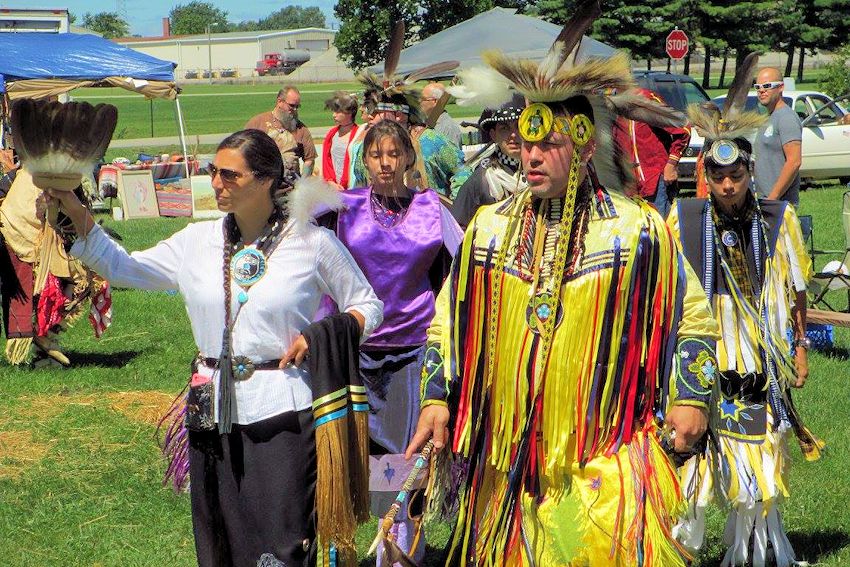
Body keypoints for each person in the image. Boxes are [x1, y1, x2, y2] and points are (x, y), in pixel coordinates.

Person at [405, 6, 721, 565]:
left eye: (545, 143)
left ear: (580, 142)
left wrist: (691, 396)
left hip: (605, 453)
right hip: (507, 465)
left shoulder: (637, 230)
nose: (529, 154)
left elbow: (691, 317)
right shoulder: (489, 229)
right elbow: (448, 321)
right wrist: (435, 395)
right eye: (525, 144)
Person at [46, 129, 383, 566]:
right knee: (219, 530)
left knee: (282, 536)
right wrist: (76, 212)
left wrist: (319, 335)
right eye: (213, 172)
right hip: (211, 409)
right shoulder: (196, 241)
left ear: (265, 180)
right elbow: (125, 267)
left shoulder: (310, 243)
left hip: (282, 409)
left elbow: (367, 305)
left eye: (229, 175)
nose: (216, 183)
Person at [669, 63, 823, 566]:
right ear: (706, 177)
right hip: (700, 356)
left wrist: (799, 347)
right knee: (688, 452)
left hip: (754, 360)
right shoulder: (685, 221)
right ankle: (681, 545)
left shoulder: (779, 221)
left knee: (756, 451)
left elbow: (795, 293)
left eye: (737, 175)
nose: (729, 184)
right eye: (719, 176)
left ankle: (754, 548)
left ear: (749, 172)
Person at [318, 119, 462, 565]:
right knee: (345, 453)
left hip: (411, 348)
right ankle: (339, 546)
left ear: (407, 159)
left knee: (405, 455)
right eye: (376, 155)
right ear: (364, 160)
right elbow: (307, 262)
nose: (385, 163)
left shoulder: (432, 208)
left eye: (394, 154)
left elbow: (468, 264)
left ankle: (399, 551)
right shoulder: (341, 208)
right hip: (353, 347)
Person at [0, 166, 110, 367]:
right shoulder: (58, 175)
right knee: (86, 279)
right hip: (23, 236)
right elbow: (52, 215)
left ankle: (44, 340)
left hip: (13, 229)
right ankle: (45, 335)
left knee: (65, 279)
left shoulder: (30, 166)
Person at [354, 42, 463, 198]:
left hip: (424, 219)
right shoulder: (366, 147)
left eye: (376, 111)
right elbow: (359, 186)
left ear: (399, 115)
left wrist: (453, 210)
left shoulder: (431, 141)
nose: (370, 116)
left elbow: (462, 172)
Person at [449, 95, 525, 227]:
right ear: (493, 135)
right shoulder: (480, 180)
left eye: (519, 126)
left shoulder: (542, 173)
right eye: (504, 128)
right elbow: (456, 230)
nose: (513, 134)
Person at [614, 87, 691, 218]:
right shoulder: (608, 104)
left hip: (653, 181)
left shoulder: (644, 99)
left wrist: (671, 164)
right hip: (625, 185)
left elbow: (683, 128)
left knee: (659, 232)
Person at [753, 67, 803, 205]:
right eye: (758, 87)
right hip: (765, 199)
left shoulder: (786, 117)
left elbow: (794, 161)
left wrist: (773, 198)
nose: (762, 90)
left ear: (780, 87)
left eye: (767, 86)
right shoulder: (768, 118)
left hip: (780, 203)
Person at [246, 85, 318, 176]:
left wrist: (302, 185)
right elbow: (243, 153)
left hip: (290, 187)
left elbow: (309, 160)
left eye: (297, 106)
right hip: (262, 187)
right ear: (279, 101)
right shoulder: (257, 123)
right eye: (291, 106)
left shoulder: (301, 130)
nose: (295, 110)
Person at [321, 91, 359, 190]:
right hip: (333, 188)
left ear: (349, 113)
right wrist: (330, 181)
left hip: (353, 188)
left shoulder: (359, 135)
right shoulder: (331, 134)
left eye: (338, 112)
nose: (334, 115)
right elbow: (326, 162)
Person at [420, 82, 463, 148]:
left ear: (435, 102)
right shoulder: (428, 123)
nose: (419, 101)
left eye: (423, 99)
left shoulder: (448, 128)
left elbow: (452, 157)